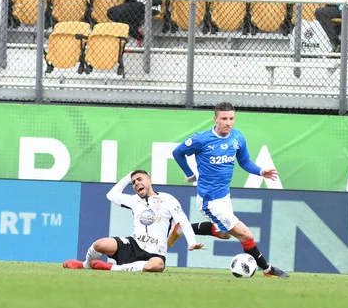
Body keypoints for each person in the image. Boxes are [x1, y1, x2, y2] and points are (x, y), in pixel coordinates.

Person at [168, 102, 290, 278]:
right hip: (209, 201)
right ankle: (267, 269)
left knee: (223, 234)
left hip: (224, 196)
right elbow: (177, 152)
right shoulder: (201, 139)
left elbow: (244, 161)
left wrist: (261, 171)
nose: (228, 122)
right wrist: (189, 173)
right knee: (246, 234)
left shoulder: (237, 137)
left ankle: (181, 228)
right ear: (215, 119)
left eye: (231, 118)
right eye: (224, 118)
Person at [63, 170, 204, 272]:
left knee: (157, 266)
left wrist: (192, 242)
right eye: (134, 182)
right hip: (133, 245)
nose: (136, 183)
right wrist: (128, 176)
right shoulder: (134, 200)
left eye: (140, 179)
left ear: (150, 181)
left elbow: (183, 221)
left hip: (155, 252)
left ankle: (111, 268)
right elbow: (111, 195)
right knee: (100, 244)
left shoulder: (167, 199)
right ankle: (86, 265)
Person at [106, 0, 172, 45]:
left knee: (133, 9)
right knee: (111, 12)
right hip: (136, 5)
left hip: (151, 5)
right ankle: (139, 35)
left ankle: (138, 34)